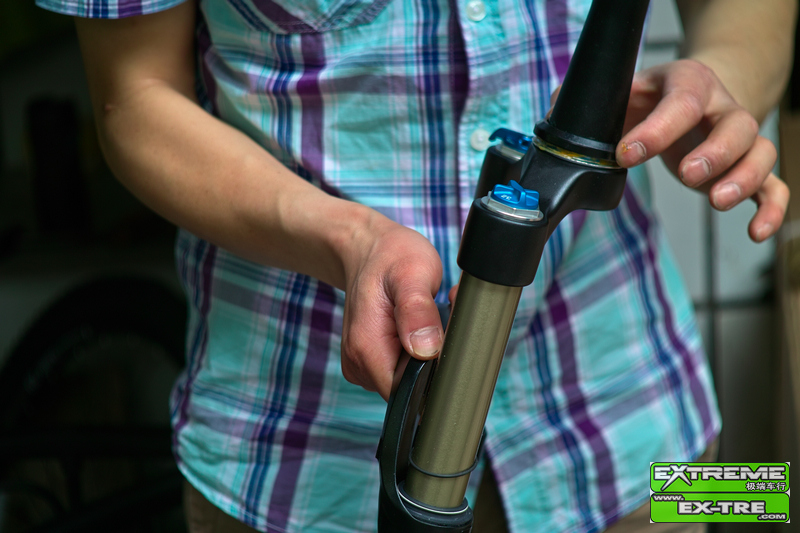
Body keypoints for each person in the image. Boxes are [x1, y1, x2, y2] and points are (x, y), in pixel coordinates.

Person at [36, 0, 794, 531]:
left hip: (644, 432)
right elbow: (133, 100)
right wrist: (346, 238)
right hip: (300, 473)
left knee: (766, 499)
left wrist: (724, 73)